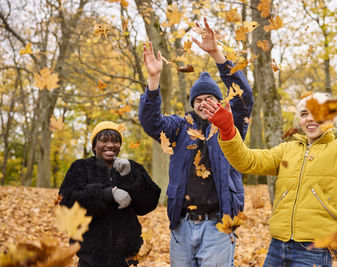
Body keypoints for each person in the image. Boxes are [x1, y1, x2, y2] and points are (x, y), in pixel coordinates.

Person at [203, 61, 337, 267]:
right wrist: (227, 130)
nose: (310, 119)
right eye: (304, 114)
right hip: (277, 247)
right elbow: (247, 161)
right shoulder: (286, 150)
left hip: (314, 252)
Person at [138, 18, 253, 266]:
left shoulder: (228, 127)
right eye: (198, 99)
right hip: (183, 227)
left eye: (210, 98)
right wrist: (154, 80)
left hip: (218, 226)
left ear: (220, 102)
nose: (203, 103)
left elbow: (244, 99)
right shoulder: (180, 127)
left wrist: (216, 53)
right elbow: (151, 123)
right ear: (193, 104)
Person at [58, 121, 161, 267]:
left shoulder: (132, 168)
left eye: (115, 141)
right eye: (104, 140)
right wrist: (106, 194)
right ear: (94, 146)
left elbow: (149, 203)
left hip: (126, 259)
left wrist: (129, 177)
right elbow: (65, 204)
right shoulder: (80, 167)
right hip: (90, 258)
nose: (110, 145)